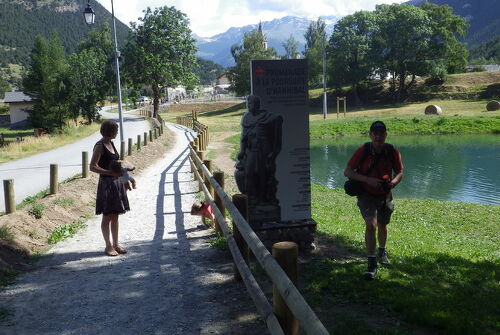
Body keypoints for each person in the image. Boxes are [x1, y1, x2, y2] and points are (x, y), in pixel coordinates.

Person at [344, 121, 404, 279]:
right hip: (366, 193)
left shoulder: (392, 151)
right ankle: (371, 264)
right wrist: (368, 180)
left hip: (385, 194)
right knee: (371, 224)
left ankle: (382, 252)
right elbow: (348, 171)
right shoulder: (362, 150)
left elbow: (400, 172)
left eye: (381, 133)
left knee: (383, 225)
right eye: (375, 133)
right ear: (370, 135)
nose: (378, 137)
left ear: (386, 134)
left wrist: (393, 183)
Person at [90, 120, 130, 257]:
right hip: (106, 184)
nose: (117, 132)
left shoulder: (111, 143)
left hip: (116, 183)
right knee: (107, 216)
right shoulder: (100, 146)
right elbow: (92, 166)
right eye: (116, 130)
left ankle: (116, 244)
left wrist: (124, 180)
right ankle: (108, 246)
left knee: (115, 215)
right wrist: (111, 173)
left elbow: (115, 165)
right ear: (110, 131)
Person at [234, 95, 283, 205]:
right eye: (248, 104)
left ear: (257, 105)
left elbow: (276, 139)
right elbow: (244, 137)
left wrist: (273, 153)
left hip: (264, 151)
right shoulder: (247, 117)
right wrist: (242, 150)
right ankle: (251, 197)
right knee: (249, 174)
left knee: (263, 175)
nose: (249, 106)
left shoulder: (268, 118)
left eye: (251, 104)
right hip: (252, 151)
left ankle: (263, 199)